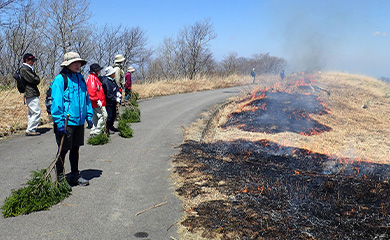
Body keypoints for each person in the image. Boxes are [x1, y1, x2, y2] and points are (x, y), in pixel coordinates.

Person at [50, 52, 93, 186]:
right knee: (63, 150)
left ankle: (75, 174)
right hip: (65, 122)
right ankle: (61, 179)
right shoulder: (60, 79)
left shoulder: (80, 78)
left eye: (79, 62)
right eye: (74, 63)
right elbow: (56, 102)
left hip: (79, 121)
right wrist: (59, 122)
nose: (78, 65)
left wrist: (89, 115)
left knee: (75, 148)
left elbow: (86, 99)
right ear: (67, 64)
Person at [20, 53, 41, 136]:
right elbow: (34, 80)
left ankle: (31, 128)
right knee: (36, 112)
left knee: (32, 112)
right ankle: (31, 129)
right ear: (26, 60)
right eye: (31, 60)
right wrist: (36, 78)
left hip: (31, 92)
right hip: (30, 92)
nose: (33, 62)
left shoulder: (28, 69)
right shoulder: (24, 69)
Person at [86, 63, 108, 136]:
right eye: (98, 70)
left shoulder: (93, 78)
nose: (99, 71)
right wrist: (97, 100)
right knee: (104, 115)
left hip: (94, 102)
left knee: (95, 117)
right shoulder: (92, 78)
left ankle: (93, 131)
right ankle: (98, 131)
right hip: (95, 102)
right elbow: (91, 91)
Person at [101, 66, 121, 134]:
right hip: (108, 101)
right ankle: (107, 128)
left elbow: (116, 87)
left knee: (113, 115)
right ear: (110, 74)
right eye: (113, 73)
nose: (115, 74)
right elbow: (108, 94)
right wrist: (115, 98)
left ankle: (111, 126)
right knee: (109, 115)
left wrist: (118, 93)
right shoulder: (106, 81)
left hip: (113, 101)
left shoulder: (112, 80)